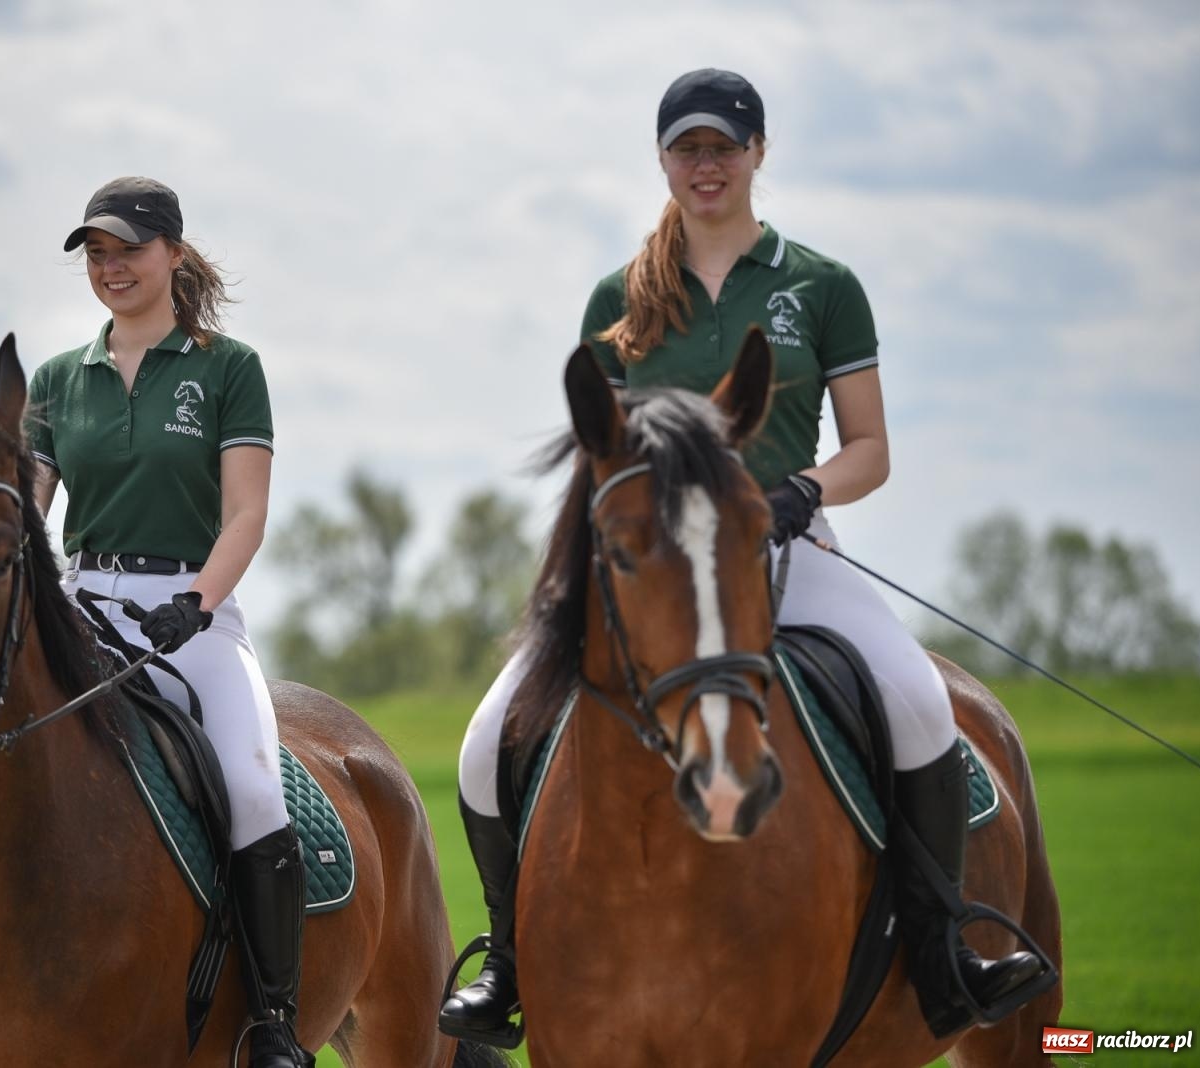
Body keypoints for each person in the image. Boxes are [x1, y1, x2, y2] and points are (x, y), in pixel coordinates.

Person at [438, 69, 1045, 1047]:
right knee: (486, 736)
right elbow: (602, 454)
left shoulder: (823, 286)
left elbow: (870, 450)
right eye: (687, 148)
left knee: (917, 699)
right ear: (663, 161)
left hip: (788, 545)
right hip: (652, 569)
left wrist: (807, 488)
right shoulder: (617, 295)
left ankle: (943, 949)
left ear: (757, 153)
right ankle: (511, 958)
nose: (705, 164)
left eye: (723, 146)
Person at [0, 177, 312, 1068]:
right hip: (76, 604)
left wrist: (193, 603)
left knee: (254, 788)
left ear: (174, 255)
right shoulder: (52, 381)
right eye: (97, 254)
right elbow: (26, 518)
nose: (111, 268)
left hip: (192, 617)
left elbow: (246, 516)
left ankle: (270, 1022)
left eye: (128, 249)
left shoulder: (228, 369)